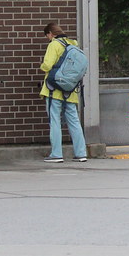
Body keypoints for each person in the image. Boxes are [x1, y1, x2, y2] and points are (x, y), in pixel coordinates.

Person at [39, 22, 87, 163]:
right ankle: (81, 153)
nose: (47, 38)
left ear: (50, 33)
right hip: (70, 91)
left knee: (55, 121)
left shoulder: (54, 44)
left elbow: (47, 65)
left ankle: (56, 154)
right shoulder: (73, 45)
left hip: (54, 90)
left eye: (47, 35)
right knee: (74, 121)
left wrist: (42, 66)